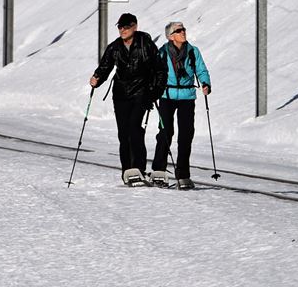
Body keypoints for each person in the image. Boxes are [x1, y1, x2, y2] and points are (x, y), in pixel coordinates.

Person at [90, 13, 165, 187]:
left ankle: (138, 169)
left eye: (126, 26)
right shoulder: (114, 47)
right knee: (123, 134)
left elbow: (160, 70)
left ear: (135, 26)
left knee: (134, 129)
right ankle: (127, 172)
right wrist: (96, 78)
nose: (122, 30)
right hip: (121, 93)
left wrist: (153, 92)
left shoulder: (146, 44)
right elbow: (105, 66)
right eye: (120, 27)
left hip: (141, 92)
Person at [150, 21, 211, 190]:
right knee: (165, 132)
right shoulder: (162, 52)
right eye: (178, 30)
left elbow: (201, 69)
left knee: (186, 135)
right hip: (166, 96)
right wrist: (152, 89)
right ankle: (158, 171)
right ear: (170, 36)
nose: (183, 32)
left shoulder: (193, 51)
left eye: (183, 29)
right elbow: (154, 72)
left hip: (187, 96)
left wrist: (205, 83)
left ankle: (183, 174)